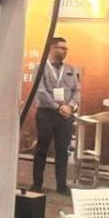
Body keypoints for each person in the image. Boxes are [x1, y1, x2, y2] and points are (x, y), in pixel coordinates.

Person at [31, 37, 80, 196]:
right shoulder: (40, 67)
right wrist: (58, 107)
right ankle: (37, 184)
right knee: (42, 149)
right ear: (52, 48)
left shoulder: (70, 69)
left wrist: (70, 106)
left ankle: (61, 185)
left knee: (62, 151)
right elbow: (40, 91)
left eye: (66, 49)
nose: (65, 51)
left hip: (65, 115)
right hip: (46, 113)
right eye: (62, 48)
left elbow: (77, 90)